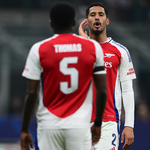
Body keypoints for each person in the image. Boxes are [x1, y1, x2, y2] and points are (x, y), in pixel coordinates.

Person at [20, 2, 107, 150]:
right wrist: (98, 124)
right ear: (74, 22)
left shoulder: (39, 49)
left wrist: (24, 129)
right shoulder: (92, 47)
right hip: (79, 125)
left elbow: (31, 93)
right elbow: (102, 91)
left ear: (51, 24)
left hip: (49, 125)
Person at [78, 2, 136, 150]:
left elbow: (128, 90)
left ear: (107, 21)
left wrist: (129, 124)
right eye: (92, 15)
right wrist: (85, 44)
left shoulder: (120, 51)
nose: (97, 18)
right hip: (79, 121)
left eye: (101, 15)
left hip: (108, 122)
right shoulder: (79, 49)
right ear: (87, 21)